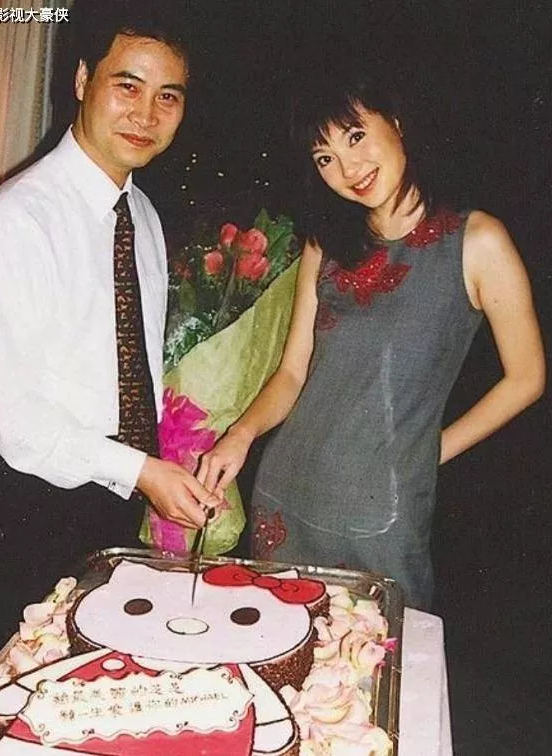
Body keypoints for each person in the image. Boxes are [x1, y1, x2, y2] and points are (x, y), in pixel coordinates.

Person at [197, 63, 545, 610]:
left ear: (396, 122)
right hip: (284, 492)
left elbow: (527, 378)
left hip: (379, 515)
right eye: (324, 158)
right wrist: (239, 436)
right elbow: (293, 372)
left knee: (373, 654)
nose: (347, 168)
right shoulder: (326, 245)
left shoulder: (476, 241)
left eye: (355, 136)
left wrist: (429, 452)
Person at [0, 6, 217, 670]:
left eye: (168, 97)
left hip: (113, 499)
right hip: (27, 510)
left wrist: (159, 467)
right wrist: (143, 472)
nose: (146, 114)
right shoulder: (15, 222)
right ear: (81, 81)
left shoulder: (143, 214)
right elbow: (10, 416)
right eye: (127, 86)